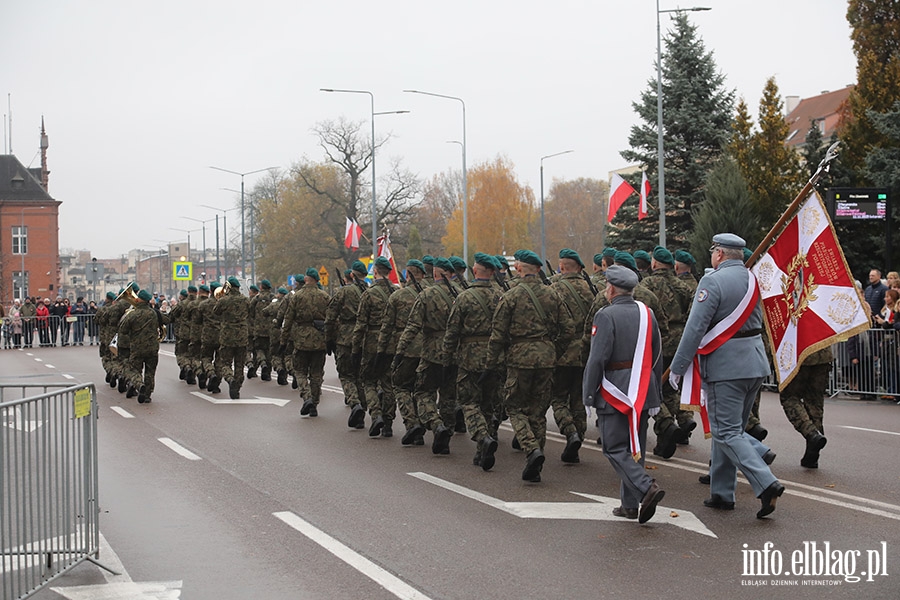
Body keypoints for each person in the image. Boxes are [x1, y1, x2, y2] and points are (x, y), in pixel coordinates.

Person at [670, 233, 784, 519]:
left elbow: (695, 328)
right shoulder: (753, 279)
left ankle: (766, 482)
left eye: (712, 252)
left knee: (726, 431)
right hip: (754, 364)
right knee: (730, 429)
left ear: (719, 254)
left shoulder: (711, 282)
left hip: (725, 367)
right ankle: (722, 493)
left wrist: (678, 367)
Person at [583, 265, 666, 523]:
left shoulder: (605, 315)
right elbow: (657, 354)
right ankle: (629, 505)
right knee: (635, 447)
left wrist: (588, 394)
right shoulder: (647, 313)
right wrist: (656, 392)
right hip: (643, 387)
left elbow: (597, 358)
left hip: (616, 388)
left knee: (614, 447)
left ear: (610, 288)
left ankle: (645, 487)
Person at [485, 249, 575, 482]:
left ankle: (531, 448)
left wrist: (491, 363)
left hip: (519, 359)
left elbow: (498, 334)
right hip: (546, 359)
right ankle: (535, 463)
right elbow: (568, 329)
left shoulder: (512, 296)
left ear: (518, 268)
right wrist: (553, 350)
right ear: (538, 269)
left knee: (514, 407)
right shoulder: (553, 294)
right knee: (538, 411)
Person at [442, 253, 504, 469]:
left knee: (469, 402)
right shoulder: (501, 296)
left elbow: (452, 331)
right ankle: (482, 452)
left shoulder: (464, 297)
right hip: (495, 357)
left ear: (475, 272)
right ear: (493, 272)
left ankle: (482, 437)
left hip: (469, 357)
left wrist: (446, 357)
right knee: (487, 404)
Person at [549, 248, 595, 464]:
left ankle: (570, 432)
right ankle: (577, 442)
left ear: (562, 267)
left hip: (563, 351)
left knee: (558, 397)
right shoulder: (591, 288)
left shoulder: (554, 288)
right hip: (585, 351)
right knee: (578, 400)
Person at [379, 260, 426, 445]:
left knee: (400, 386)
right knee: (421, 390)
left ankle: (411, 423)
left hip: (404, 348)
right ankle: (422, 425)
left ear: (407, 275)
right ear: (422, 275)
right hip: (427, 349)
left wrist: (381, 351)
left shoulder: (398, 297)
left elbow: (387, 326)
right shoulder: (430, 295)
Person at [352, 257, 397, 435]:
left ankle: (376, 414)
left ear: (375, 272)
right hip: (392, 342)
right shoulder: (396, 292)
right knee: (388, 383)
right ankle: (388, 424)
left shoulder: (369, 294)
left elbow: (361, 324)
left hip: (372, 342)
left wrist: (355, 349)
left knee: (368, 381)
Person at [282, 268, 331, 416]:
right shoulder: (325, 296)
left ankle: (307, 396)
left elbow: (288, 320)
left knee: (300, 371)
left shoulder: (297, 296)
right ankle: (314, 405)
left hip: (301, 339)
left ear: (305, 279)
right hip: (319, 339)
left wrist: (283, 341)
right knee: (316, 374)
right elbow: (332, 320)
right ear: (317, 280)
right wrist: (330, 340)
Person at [778, 347, 833, 468]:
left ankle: (811, 434)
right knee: (815, 402)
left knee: (789, 397)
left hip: (800, 354)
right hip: (823, 355)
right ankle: (812, 453)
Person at [326, 263, 368, 412]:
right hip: (365, 338)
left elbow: (330, 318)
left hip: (345, 337)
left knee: (346, 375)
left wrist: (329, 339)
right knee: (360, 375)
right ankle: (364, 405)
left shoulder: (343, 292)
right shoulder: (371, 291)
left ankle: (354, 403)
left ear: (352, 275)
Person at [117, 289, 161, 403]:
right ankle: (147, 395)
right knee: (150, 372)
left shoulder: (133, 314)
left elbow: (123, 330)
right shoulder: (154, 313)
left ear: (138, 299)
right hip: (152, 347)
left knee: (134, 369)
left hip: (137, 348)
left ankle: (139, 384)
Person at [214, 277, 250, 399]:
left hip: (227, 335)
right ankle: (237, 387)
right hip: (242, 335)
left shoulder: (224, 300)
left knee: (226, 363)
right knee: (240, 364)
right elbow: (249, 313)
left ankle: (230, 379)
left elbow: (216, 312)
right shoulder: (245, 300)